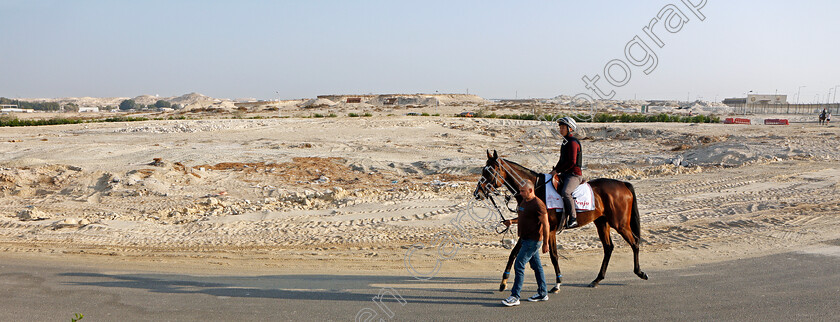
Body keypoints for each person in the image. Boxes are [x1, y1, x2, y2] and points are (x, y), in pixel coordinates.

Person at [501, 181, 550, 307]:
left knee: (519, 264)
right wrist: (512, 221)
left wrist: (546, 243)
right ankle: (543, 293)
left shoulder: (538, 204)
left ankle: (515, 296)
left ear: (530, 190)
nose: (520, 193)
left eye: (523, 191)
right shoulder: (524, 202)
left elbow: (546, 224)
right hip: (524, 239)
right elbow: (524, 218)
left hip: (533, 241)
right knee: (537, 266)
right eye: (520, 190)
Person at [549, 117, 583, 229]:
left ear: (570, 129)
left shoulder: (573, 143)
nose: (561, 129)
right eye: (560, 127)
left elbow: (572, 162)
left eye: (563, 127)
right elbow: (562, 160)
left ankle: (573, 218)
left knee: (566, 192)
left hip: (574, 175)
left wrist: (558, 171)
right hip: (565, 173)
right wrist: (554, 171)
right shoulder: (565, 142)